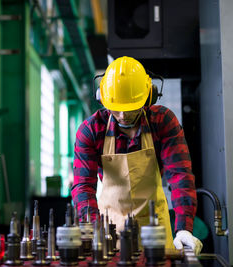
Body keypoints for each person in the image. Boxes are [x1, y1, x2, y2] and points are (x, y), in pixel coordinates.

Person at [71, 56, 203, 254]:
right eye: (116, 109)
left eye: (131, 108)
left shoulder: (162, 121)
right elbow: (83, 186)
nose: (123, 116)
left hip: (156, 229)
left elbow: (180, 175)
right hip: (110, 233)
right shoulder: (91, 130)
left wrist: (184, 228)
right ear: (102, 98)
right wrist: (93, 228)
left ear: (149, 97)